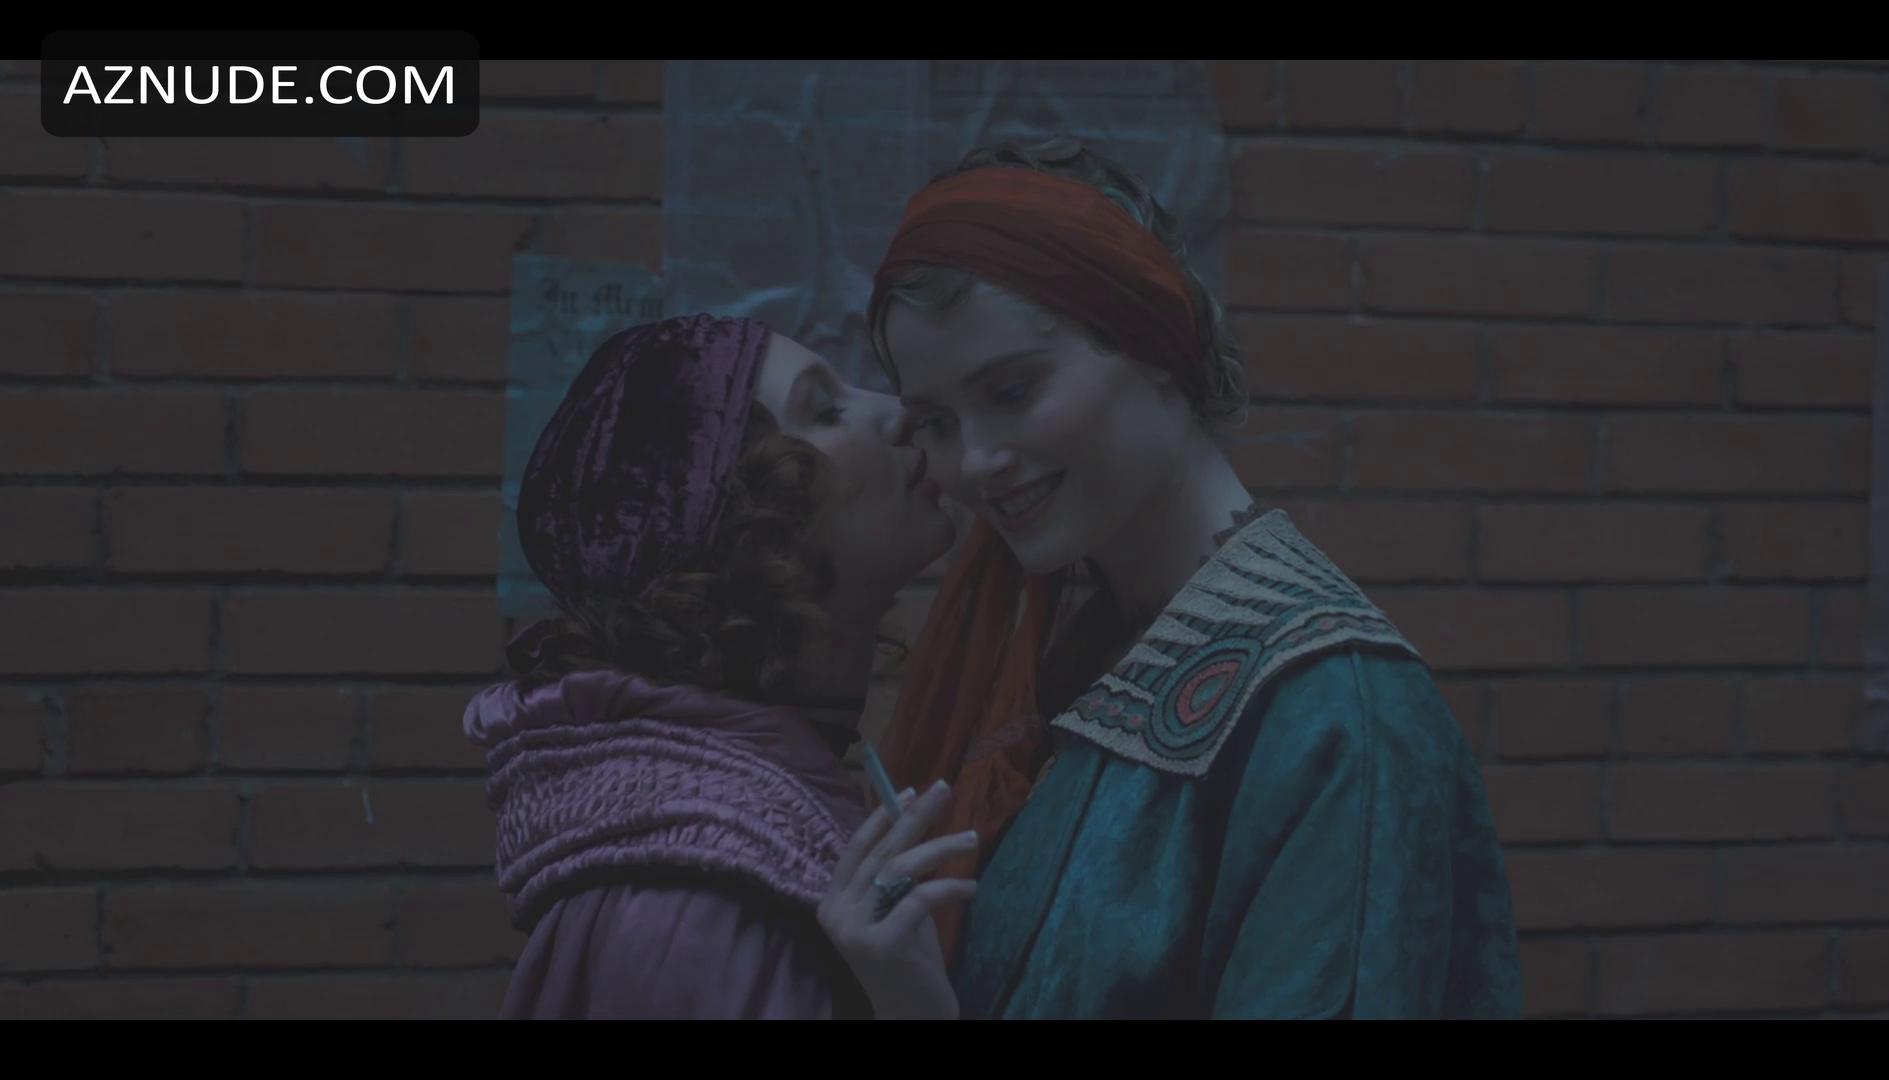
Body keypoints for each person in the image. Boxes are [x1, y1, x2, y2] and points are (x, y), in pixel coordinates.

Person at [816, 138, 1525, 1019]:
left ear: (1153, 340)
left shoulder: (1336, 711)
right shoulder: (1085, 657)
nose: (976, 461)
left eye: (1011, 391)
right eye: (936, 422)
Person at [465, 313, 958, 1018]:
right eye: (826, 410)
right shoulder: (700, 908)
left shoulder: (736, 824)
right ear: (742, 527)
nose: (897, 412)